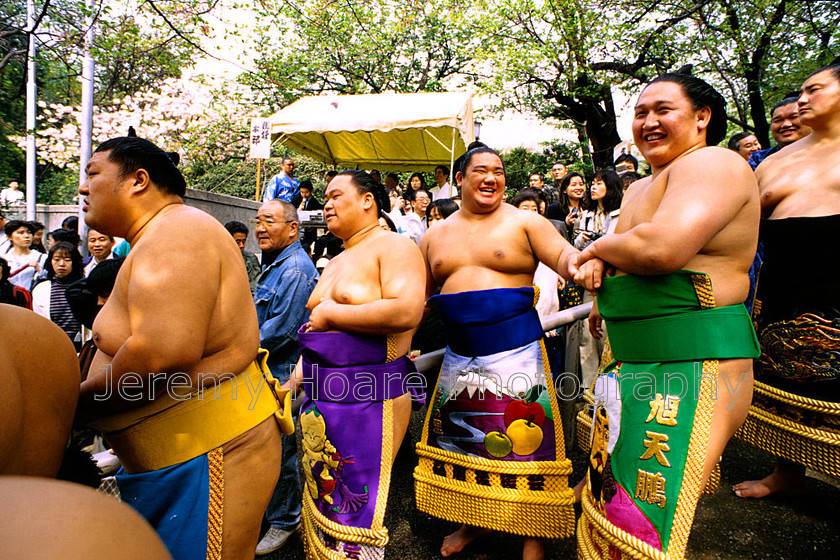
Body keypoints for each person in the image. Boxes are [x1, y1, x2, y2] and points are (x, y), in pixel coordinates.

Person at [76, 136, 291, 560]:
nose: (83, 188)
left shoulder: (178, 230)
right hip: (184, 457)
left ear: (138, 181)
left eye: (93, 174)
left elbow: (162, 354)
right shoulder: (161, 234)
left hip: (210, 453)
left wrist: (70, 408)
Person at [574, 71, 760, 559]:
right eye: (640, 113)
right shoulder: (640, 188)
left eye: (663, 110)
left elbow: (661, 249)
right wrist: (604, 292)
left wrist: (596, 247)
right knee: (611, 500)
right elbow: (628, 254)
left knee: (644, 524)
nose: (648, 122)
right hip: (634, 359)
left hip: (693, 359)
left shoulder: (714, 163)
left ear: (702, 118)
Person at [417, 146, 581, 560]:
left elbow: (564, 256)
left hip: (516, 351)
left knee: (529, 445)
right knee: (466, 441)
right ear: (459, 179)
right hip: (458, 357)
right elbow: (418, 297)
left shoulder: (526, 221)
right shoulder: (435, 234)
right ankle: (473, 522)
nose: (491, 178)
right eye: (481, 171)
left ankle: (534, 536)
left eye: (499, 171)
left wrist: (584, 266)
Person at [288, 169, 425, 559]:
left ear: (368, 200)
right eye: (325, 198)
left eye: (335, 195)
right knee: (323, 497)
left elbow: (406, 310)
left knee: (357, 513)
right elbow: (316, 337)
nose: (326, 204)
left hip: (369, 399)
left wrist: (333, 314)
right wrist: (291, 385)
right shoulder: (336, 260)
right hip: (322, 398)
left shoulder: (395, 247)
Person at [733, 64, 840, 499]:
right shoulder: (775, 163)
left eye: (813, 89)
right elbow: (738, 229)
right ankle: (788, 472)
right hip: (781, 292)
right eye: (799, 91)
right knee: (783, 386)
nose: (801, 99)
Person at [251, 199, 319, 555]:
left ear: (293, 228)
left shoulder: (294, 270)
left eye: (270, 221)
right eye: (257, 221)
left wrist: (228, 346)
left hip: (282, 374)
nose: (260, 228)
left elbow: (278, 333)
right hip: (262, 371)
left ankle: (285, 519)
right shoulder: (275, 264)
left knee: (282, 450)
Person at [573, 169, 624, 390]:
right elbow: (575, 248)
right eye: (592, 183)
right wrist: (580, 239)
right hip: (589, 283)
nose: (593, 187)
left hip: (612, 282)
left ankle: (610, 388)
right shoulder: (587, 215)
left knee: (607, 336)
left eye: (599, 183)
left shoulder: (621, 214)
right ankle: (589, 389)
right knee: (587, 335)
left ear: (611, 187)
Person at [32, 242, 85, 349]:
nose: (61, 264)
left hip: (80, 347)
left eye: (67, 260)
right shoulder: (41, 289)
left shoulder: (86, 287)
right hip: (52, 346)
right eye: (56, 259)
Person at [748, 96, 812, 170]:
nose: (785, 125)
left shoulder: (825, 154)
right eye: (778, 120)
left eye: (793, 117)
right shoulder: (758, 159)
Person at [3, 220, 46, 290]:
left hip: (31, 298)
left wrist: (39, 270)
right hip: (8, 299)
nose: (26, 236)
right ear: (9, 237)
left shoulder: (41, 258)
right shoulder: (4, 259)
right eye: (20, 233)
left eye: (29, 233)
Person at [224, 220, 261, 292]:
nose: (242, 245)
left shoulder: (250, 258)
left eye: (243, 242)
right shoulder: (219, 259)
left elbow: (256, 282)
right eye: (237, 242)